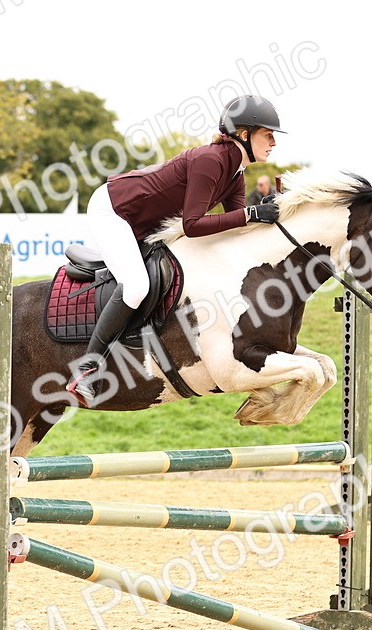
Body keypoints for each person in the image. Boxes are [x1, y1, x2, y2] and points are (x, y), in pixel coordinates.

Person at [66, 94, 284, 402]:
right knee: (136, 286)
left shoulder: (235, 173)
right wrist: (251, 214)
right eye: (268, 133)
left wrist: (275, 211)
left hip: (143, 221)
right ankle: (86, 369)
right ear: (244, 134)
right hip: (114, 210)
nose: (274, 141)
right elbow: (192, 225)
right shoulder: (211, 160)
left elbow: (235, 225)